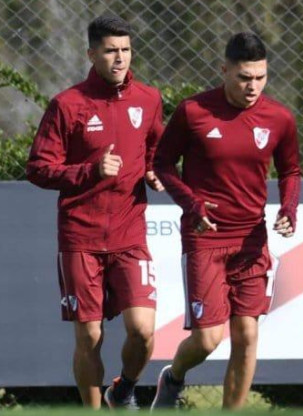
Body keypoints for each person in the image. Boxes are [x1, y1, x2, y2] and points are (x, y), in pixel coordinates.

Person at [150, 32, 301, 410]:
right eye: (244, 77)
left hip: (251, 241)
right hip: (205, 238)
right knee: (207, 339)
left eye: (260, 77)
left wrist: (289, 209)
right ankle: (173, 377)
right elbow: (162, 164)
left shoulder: (279, 117)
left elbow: (291, 171)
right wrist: (191, 204)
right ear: (224, 70)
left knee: (247, 333)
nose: (253, 86)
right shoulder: (194, 112)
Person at [25, 13, 164, 410]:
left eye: (125, 50)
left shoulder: (149, 99)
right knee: (89, 336)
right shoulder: (68, 105)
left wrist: (152, 170)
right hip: (80, 236)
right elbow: (37, 168)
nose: (119, 59)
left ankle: (123, 390)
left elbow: (155, 146)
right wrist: (90, 170)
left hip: (129, 234)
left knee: (142, 331)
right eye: (110, 51)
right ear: (92, 53)